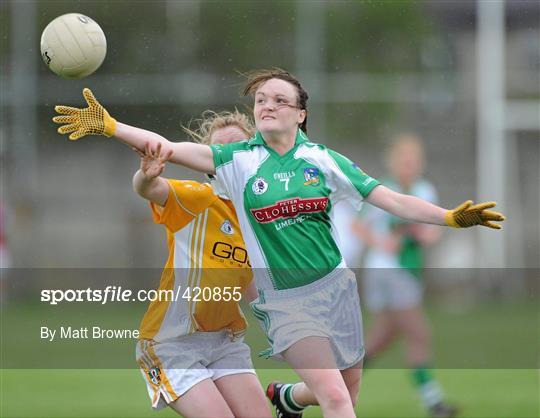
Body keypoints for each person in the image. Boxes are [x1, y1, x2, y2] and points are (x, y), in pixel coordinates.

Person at [53, 69, 505, 418]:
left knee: (345, 390)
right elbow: (159, 160)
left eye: (279, 99)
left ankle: (288, 398)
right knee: (335, 398)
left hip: (324, 296)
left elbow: (388, 198)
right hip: (267, 311)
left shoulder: (322, 160)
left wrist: (448, 217)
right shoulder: (233, 168)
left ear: (300, 112)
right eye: (261, 99)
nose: (267, 105)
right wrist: (111, 126)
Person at [113, 110, 271, 417]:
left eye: (236, 148)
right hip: (171, 344)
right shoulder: (199, 198)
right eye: (218, 151)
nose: (228, 156)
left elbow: (249, 281)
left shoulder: (260, 217)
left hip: (225, 341)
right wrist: (146, 175)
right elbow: (149, 189)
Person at [353, 134, 457, 418]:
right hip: (387, 270)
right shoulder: (383, 190)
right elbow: (358, 227)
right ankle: (434, 402)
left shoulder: (425, 190)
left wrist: (428, 235)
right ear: (393, 162)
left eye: (413, 161)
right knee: (419, 333)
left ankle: (331, 387)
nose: (409, 166)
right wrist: (382, 242)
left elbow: (433, 229)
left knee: (380, 340)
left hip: (409, 269)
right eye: (404, 160)